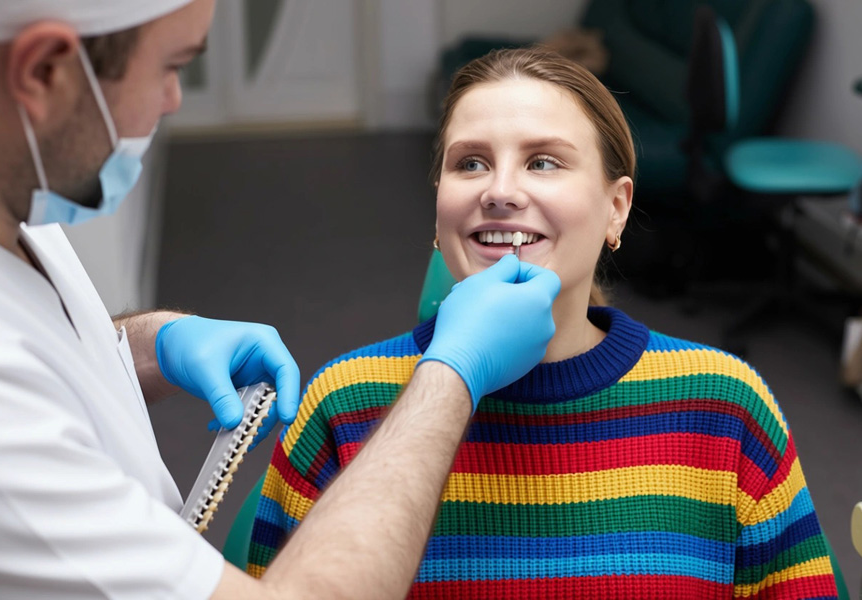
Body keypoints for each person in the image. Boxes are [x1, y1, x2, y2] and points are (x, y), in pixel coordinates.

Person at [0, 2, 563, 598]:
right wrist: (452, 376)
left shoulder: (7, 204)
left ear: (611, 207)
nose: (173, 100)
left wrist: (146, 345)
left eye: (543, 162)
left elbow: (43, 346)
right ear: (43, 72)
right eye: (170, 67)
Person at [249, 47, 840, 599]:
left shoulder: (725, 404)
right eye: (471, 163)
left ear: (616, 209)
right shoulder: (342, 403)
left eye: (543, 162)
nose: (499, 191)